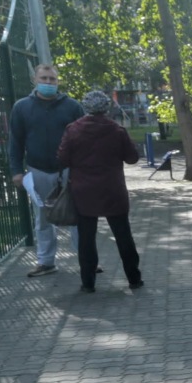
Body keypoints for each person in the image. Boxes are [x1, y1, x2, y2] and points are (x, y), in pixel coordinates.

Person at [56, 90, 144, 293]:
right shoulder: (117, 130)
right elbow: (132, 158)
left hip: (83, 191)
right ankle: (134, 278)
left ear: (85, 107)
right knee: (123, 235)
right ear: (106, 107)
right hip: (113, 190)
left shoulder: (73, 130)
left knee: (86, 238)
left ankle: (88, 283)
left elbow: (62, 158)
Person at [8, 61, 85, 277]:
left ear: (58, 82)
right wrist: (16, 171)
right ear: (35, 80)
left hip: (70, 170)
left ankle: (86, 259)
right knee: (42, 218)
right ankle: (46, 261)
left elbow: (84, 139)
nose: (48, 83)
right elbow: (15, 142)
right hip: (38, 170)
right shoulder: (22, 107)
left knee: (78, 215)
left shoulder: (72, 106)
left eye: (52, 79)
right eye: (44, 78)